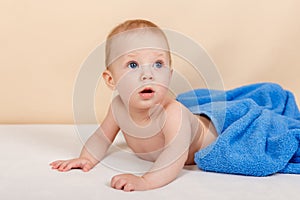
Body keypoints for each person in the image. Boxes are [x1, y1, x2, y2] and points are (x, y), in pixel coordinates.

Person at [50, 19, 218, 191]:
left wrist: (146, 181)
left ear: (169, 74)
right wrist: (86, 158)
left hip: (211, 132)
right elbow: (102, 138)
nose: (147, 74)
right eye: (133, 65)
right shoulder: (118, 108)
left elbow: (175, 155)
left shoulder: (174, 113)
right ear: (111, 79)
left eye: (158, 64)